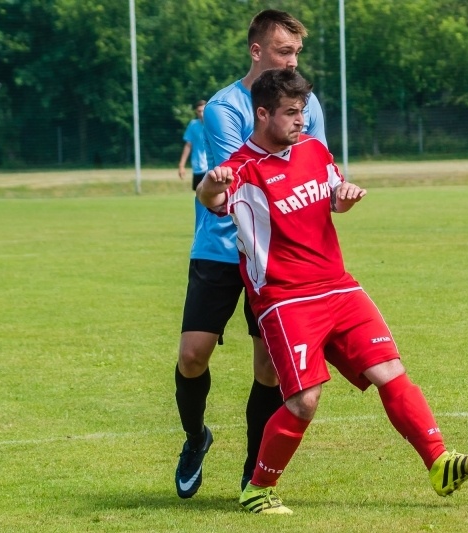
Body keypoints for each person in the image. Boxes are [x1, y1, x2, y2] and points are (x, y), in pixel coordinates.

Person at [197, 68, 468, 515]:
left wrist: (344, 197)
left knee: (390, 369)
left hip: (338, 287)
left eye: (303, 111)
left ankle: (440, 462)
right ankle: (257, 489)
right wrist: (209, 186)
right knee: (303, 400)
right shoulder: (241, 169)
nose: (301, 120)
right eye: (291, 113)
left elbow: (332, 193)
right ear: (262, 114)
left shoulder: (314, 149)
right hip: (285, 300)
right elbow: (212, 199)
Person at [174, 9, 327, 500]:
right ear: (256, 50)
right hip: (220, 249)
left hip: (276, 256)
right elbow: (240, 180)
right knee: (193, 356)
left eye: (297, 52)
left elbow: (316, 168)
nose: (292, 60)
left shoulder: (308, 103)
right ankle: (196, 437)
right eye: (284, 50)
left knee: (267, 368)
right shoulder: (225, 107)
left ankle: (251, 472)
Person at [178, 100, 208, 191]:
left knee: (211, 197)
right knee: (199, 195)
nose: (201, 113)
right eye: (199, 111)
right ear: (196, 112)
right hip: (198, 167)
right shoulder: (193, 125)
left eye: (203, 110)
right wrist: (181, 165)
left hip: (211, 166)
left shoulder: (214, 124)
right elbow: (188, 145)